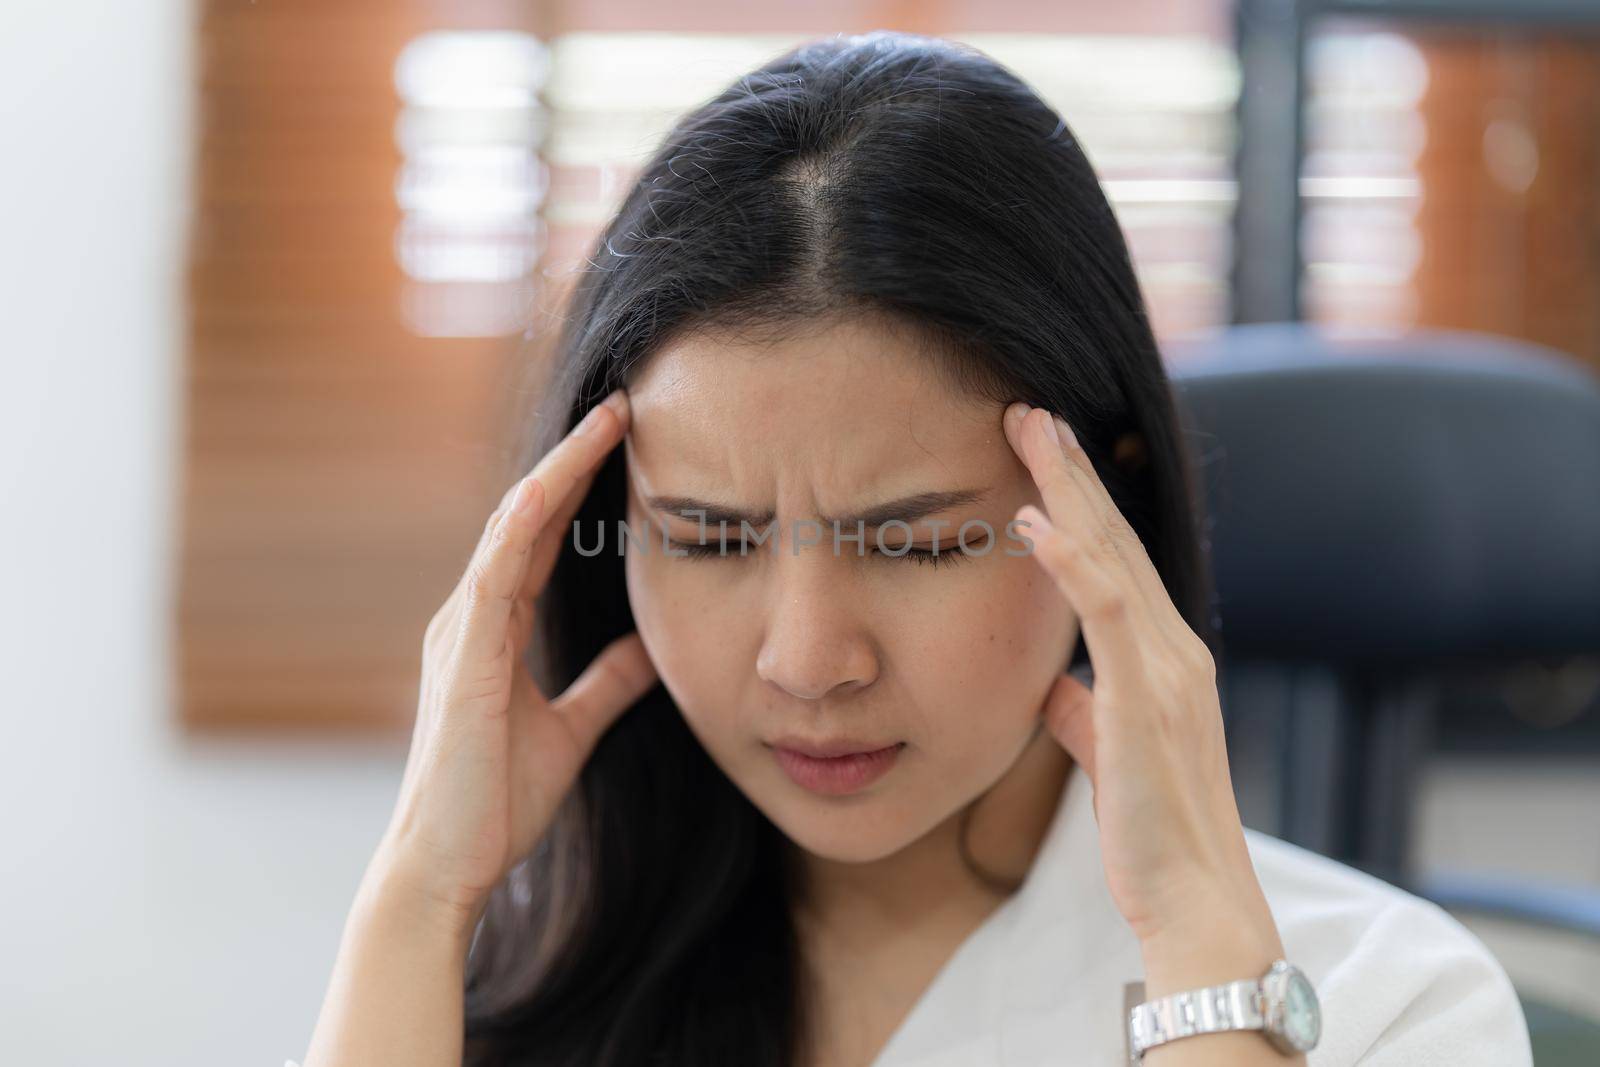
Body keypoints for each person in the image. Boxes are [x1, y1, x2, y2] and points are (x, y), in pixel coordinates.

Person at [293, 30, 1533, 1067]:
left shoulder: (1391, 1001)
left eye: (920, 544)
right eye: (710, 535)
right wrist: (416, 897)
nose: (806, 658)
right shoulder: (517, 978)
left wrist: (1200, 939)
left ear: (1110, 503)